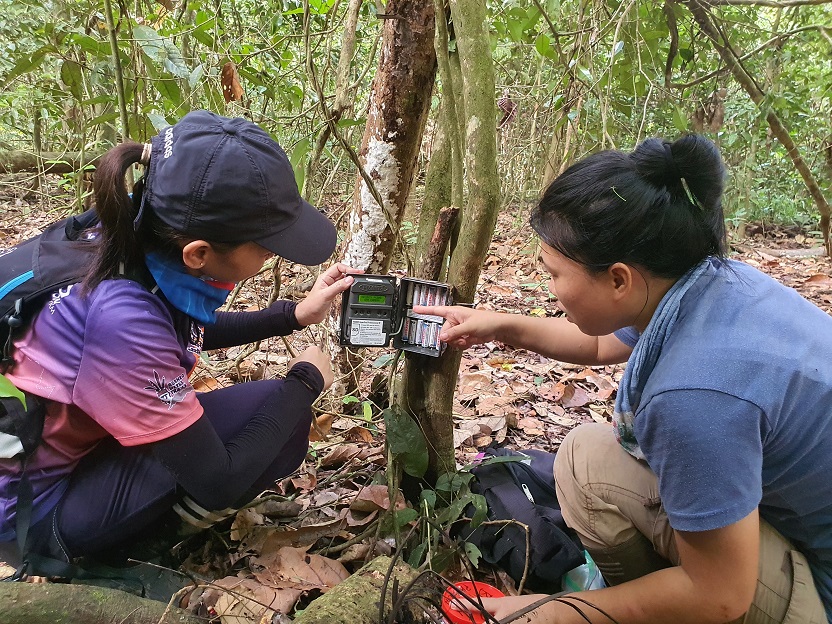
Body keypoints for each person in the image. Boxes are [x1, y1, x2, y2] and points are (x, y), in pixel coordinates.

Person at [418, 135, 832, 623]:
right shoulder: (708, 285)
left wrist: (542, 612)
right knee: (584, 457)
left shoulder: (693, 396)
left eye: (552, 272)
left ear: (619, 279)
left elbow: (720, 596)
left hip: (812, 592)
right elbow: (597, 344)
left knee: (588, 469)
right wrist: (497, 324)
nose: (549, 287)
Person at [0, 110, 357, 569]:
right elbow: (218, 481)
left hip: (59, 455)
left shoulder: (127, 230)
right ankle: (135, 554)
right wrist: (308, 379)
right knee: (280, 417)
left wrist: (293, 315)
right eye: (267, 247)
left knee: (270, 412)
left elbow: (171, 336)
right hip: (33, 512)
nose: (272, 256)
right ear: (199, 254)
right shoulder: (119, 317)